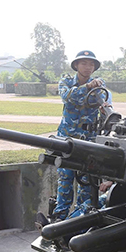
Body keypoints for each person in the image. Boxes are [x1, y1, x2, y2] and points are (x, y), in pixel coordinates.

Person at [53, 50, 109, 221]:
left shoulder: (99, 83)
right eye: (83, 63)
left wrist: (103, 105)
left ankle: (79, 220)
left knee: (86, 183)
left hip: (88, 141)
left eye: (91, 64)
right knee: (65, 180)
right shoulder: (66, 81)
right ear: (76, 65)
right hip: (67, 140)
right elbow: (68, 97)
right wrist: (87, 87)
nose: (87, 67)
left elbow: (100, 98)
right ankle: (59, 218)